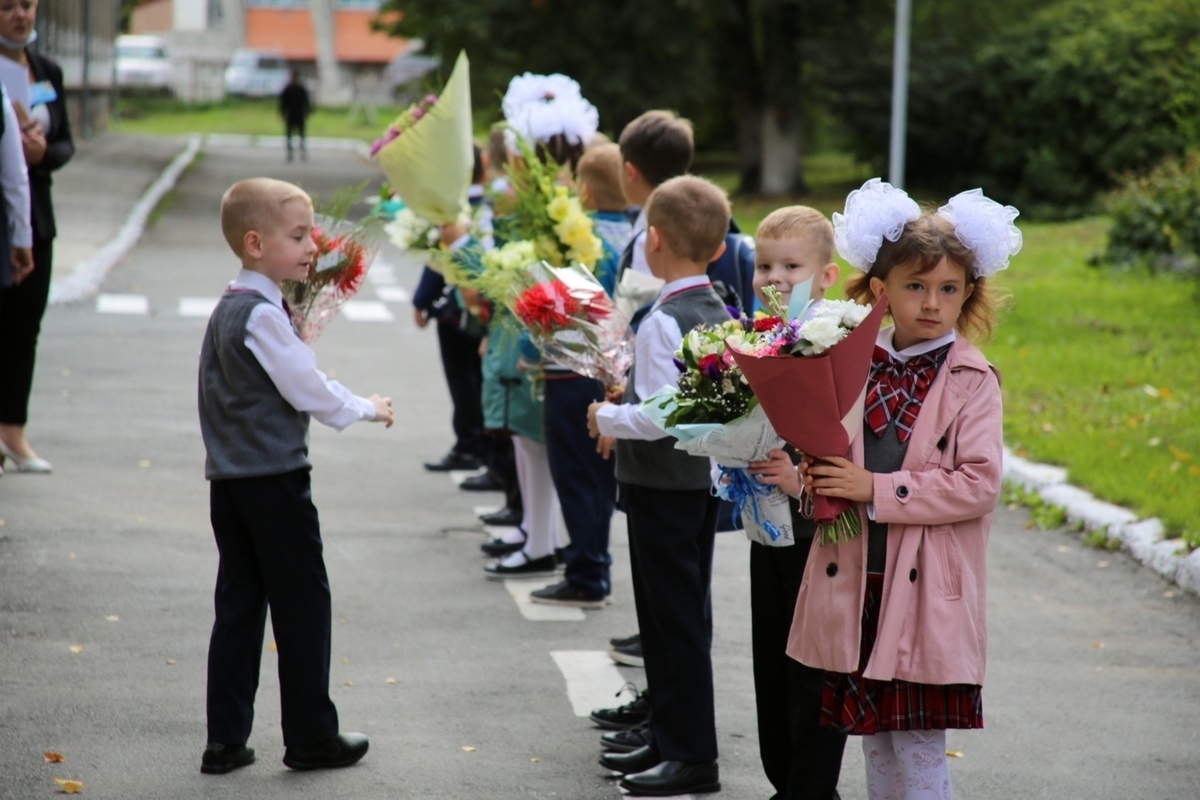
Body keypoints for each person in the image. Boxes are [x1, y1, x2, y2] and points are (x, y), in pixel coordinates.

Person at [765, 180, 1019, 800]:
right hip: (859, 586)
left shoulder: (971, 378)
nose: (932, 303)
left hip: (924, 589)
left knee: (918, 746)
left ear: (967, 295)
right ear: (881, 290)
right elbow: (831, 453)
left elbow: (978, 484)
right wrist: (806, 479)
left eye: (949, 290)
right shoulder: (850, 360)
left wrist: (875, 489)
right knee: (875, 742)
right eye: (915, 286)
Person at [198, 177, 394, 775]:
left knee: (239, 603)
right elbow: (306, 386)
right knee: (303, 603)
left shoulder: (231, 307)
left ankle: (226, 740)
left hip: (230, 484)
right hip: (274, 483)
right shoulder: (260, 315)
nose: (313, 245)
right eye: (299, 235)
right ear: (255, 243)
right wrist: (366, 406)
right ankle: (311, 735)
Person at [586, 175, 734, 797]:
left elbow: (662, 412)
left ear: (654, 240)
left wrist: (607, 417)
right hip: (696, 485)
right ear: (719, 248)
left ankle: (692, 753)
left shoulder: (659, 321)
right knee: (676, 613)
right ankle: (669, 734)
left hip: (660, 485)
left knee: (670, 620)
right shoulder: (721, 306)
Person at [742, 206, 848, 800]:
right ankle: (784, 779)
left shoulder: (834, 341)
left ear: (826, 275)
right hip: (769, 532)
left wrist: (797, 479)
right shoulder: (760, 335)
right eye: (763, 265)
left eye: (791, 265)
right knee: (772, 666)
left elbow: (847, 446)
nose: (774, 277)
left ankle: (808, 788)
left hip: (819, 538)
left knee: (812, 673)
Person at [526, 143, 626, 608]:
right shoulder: (635, 238)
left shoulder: (575, 243)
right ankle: (591, 559)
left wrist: (529, 345)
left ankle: (587, 571)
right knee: (600, 477)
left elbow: (553, 308)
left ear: (582, 190)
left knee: (575, 475)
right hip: (618, 373)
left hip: (571, 369)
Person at [0, 0, 72, 474]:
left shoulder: (47, 70)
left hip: (37, 212)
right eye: (7, 7)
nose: (20, 15)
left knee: (26, 327)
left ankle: (14, 432)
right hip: (2, 213)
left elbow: (66, 142)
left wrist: (41, 152)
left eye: (26, 5)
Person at [413, 144, 488, 475]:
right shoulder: (490, 203)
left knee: (464, 381)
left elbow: (438, 260)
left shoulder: (455, 209)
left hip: (457, 312)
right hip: (481, 308)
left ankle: (470, 444)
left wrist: (421, 301)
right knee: (479, 381)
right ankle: (481, 443)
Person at [279, 69, 311, 163]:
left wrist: (307, 111)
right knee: (292, 135)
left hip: (297, 114)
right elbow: (283, 103)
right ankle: (291, 153)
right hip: (293, 114)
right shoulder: (289, 88)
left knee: (300, 135)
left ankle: (301, 152)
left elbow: (306, 102)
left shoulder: (299, 88)